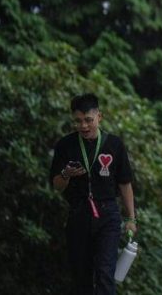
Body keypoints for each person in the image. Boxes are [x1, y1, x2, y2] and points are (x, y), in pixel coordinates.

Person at [49, 93, 137, 295]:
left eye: (88, 120)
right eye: (78, 121)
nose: (83, 126)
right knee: (81, 276)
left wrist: (131, 218)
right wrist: (66, 174)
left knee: (105, 273)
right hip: (79, 213)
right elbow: (57, 185)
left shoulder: (114, 144)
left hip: (108, 215)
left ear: (99, 117)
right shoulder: (66, 145)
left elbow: (125, 183)